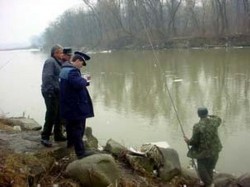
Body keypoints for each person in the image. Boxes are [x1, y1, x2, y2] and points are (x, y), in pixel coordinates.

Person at [59, 51, 94, 159]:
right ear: (77, 61)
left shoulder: (64, 69)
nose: (82, 66)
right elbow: (78, 84)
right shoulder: (73, 71)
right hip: (76, 106)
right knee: (78, 128)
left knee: (70, 126)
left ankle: (70, 144)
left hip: (67, 104)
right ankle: (80, 152)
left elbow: (72, 84)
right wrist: (85, 79)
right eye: (82, 64)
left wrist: (82, 80)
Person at [184, 107, 222, 187]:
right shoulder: (214, 122)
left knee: (201, 169)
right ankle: (210, 183)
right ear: (207, 113)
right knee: (210, 169)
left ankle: (210, 184)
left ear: (198, 115)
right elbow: (218, 118)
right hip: (215, 150)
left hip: (204, 153)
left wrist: (187, 141)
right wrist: (209, 115)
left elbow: (194, 142)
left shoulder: (197, 126)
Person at [41, 44, 67, 147]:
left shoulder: (58, 62)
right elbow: (47, 77)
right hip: (50, 92)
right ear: (55, 53)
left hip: (57, 91)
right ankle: (45, 137)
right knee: (51, 114)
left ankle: (58, 134)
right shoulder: (50, 62)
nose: (62, 54)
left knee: (59, 113)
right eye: (60, 52)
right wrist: (51, 91)